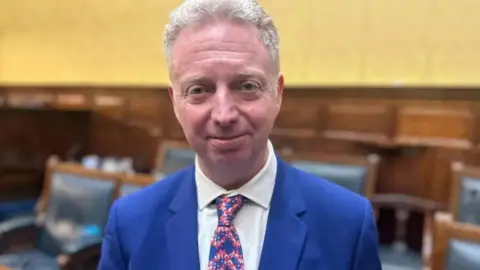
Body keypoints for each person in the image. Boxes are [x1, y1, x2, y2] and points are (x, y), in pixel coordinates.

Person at [98, 0, 382, 269]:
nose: (224, 115)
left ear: (277, 93)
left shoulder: (347, 223)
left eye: (246, 86)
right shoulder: (130, 222)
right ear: (175, 101)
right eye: (199, 90)